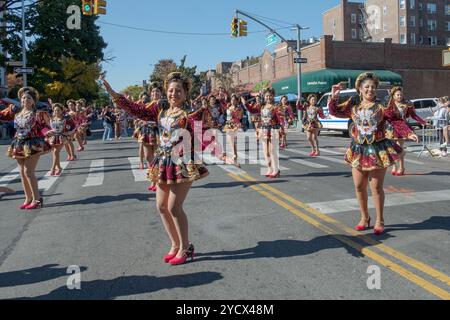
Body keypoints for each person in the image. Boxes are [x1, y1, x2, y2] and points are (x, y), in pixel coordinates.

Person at [100, 72, 209, 265]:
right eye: (170, 90)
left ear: (185, 94)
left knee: (174, 207)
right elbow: (135, 109)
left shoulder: (191, 115)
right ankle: (175, 244)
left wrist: (220, 152)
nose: (173, 94)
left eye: (178, 91)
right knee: (161, 206)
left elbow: (205, 138)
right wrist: (113, 93)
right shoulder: (160, 111)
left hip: (182, 163)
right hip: (163, 161)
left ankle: (186, 248)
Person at [328, 72, 407, 235]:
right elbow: (335, 111)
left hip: (377, 150)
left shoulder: (382, 107)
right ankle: (364, 217)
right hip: (358, 150)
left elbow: (397, 119)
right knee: (358, 186)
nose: (370, 89)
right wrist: (334, 96)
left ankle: (380, 219)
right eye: (367, 86)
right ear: (360, 89)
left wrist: (408, 132)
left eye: (373, 87)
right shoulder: (353, 106)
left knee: (376, 187)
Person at [0, 87, 51, 209]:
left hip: (33, 143)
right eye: (23, 98)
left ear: (33, 101)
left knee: (29, 172)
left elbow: (44, 126)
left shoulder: (37, 113)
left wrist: (48, 133)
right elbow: (1, 116)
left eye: (29, 98)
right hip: (18, 144)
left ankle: (37, 198)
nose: (25, 100)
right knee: (22, 173)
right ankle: (28, 198)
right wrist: (9, 108)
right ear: (20, 100)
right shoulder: (15, 112)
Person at [383, 87, 424, 175]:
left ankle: (401, 167)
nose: (400, 96)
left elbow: (414, 115)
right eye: (398, 95)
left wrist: (423, 122)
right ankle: (394, 165)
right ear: (393, 96)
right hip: (390, 128)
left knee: (399, 148)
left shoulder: (407, 104)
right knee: (392, 148)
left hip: (402, 127)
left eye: (401, 94)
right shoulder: (389, 105)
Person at [46, 103, 76, 176]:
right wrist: (48, 132)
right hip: (53, 138)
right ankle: (58, 167)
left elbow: (73, 126)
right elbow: (47, 128)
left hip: (62, 137)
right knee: (54, 153)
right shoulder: (51, 118)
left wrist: (68, 133)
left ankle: (53, 168)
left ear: (62, 111)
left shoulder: (66, 118)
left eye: (58, 110)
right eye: (55, 110)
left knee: (56, 152)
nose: (56, 112)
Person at [222, 94, 244, 167]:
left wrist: (235, 113)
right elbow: (224, 109)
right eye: (232, 100)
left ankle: (234, 156)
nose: (233, 101)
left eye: (234, 100)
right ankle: (235, 158)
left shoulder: (239, 109)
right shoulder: (228, 107)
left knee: (232, 141)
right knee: (231, 142)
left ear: (237, 101)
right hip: (228, 124)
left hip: (234, 125)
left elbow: (239, 117)